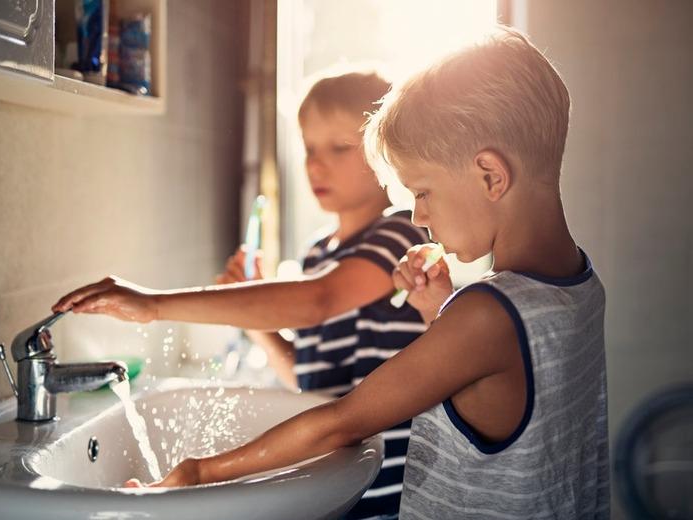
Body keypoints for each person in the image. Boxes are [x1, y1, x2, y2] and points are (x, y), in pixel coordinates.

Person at [55, 26, 610, 518]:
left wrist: (198, 474)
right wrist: (439, 314)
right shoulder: (578, 285)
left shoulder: (488, 314)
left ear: (490, 175)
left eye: (422, 192)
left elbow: (342, 421)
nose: (417, 215)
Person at [54, 69, 432, 519]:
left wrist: (153, 305)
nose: (315, 164)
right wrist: (255, 319)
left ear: (382, 153)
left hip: (388, 485)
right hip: (336, 477)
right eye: (309, 148)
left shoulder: (401, 233)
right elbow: (305, 377)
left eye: (339, 148)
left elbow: (318, 301)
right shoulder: (317, 254)